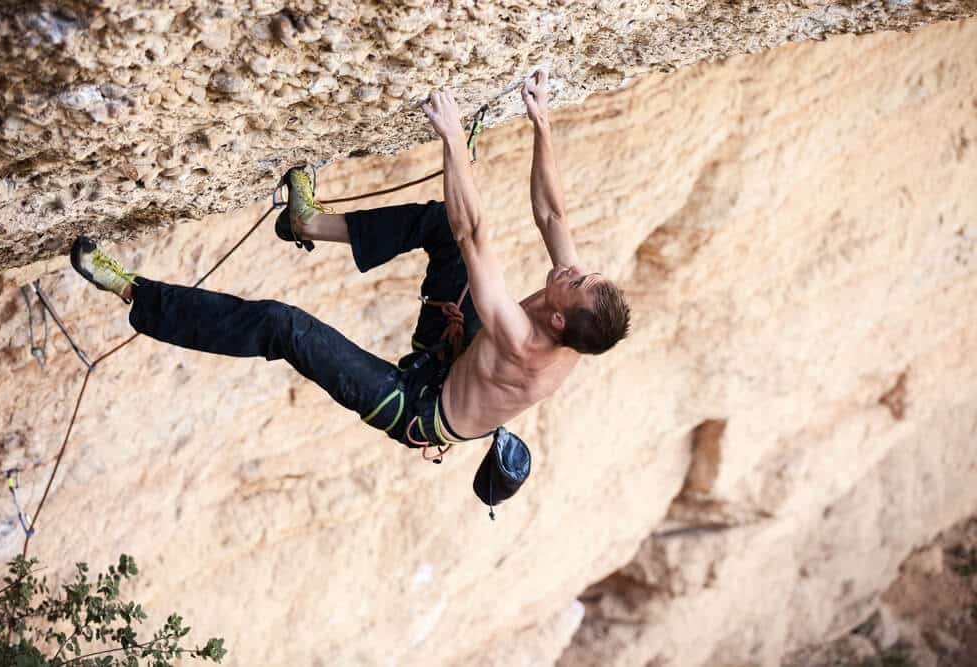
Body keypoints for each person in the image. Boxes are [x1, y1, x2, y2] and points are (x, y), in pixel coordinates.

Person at [69, 70, 631, 462]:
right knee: (438, 223)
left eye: (575, 281)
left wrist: (453, 139)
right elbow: (552, 213)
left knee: (283, 326)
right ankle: (306, 222)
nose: (570, 270)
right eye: (582, 273)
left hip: (417, 407)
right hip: (455, 354)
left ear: (559, 321)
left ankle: (132, 292)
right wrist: (542, 122)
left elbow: (476, 233)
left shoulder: (524, 346)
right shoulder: (577, 309)